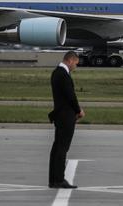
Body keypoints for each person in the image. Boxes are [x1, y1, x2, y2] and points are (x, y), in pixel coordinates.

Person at [48, 51, 84, 189]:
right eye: (75, 63)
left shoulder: (56, 72)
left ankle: (53, 179)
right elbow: (70, 96)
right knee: (62, 148)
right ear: (70, 60)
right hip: (65, 116)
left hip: (60, 114)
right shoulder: (63, 75)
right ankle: (58, 179)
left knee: (57, 148)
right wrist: (78, 110)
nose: (75, 66)